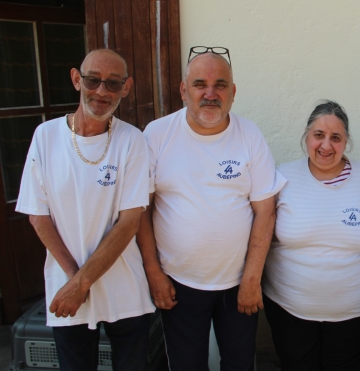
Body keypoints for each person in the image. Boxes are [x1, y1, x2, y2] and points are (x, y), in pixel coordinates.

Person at [137, 46, 286, 370]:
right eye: (199, 84)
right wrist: (153, 273)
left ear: (232, 93)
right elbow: (141, 211)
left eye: (220, 85)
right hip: (178, 283)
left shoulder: (249, 134)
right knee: (186, 365)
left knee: (240, 364)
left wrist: (252, 277)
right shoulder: (158, 135)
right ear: (183, 90)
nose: (210, 93)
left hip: (238, 284)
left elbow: (265, 210)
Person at [16, 49, 154, 371]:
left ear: (127, 87)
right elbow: (38, 214)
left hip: (124, 288)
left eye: (113, 84)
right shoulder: (46, 137)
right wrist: (75, 281)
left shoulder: (131, 140)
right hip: (66, 283)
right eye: (93, 80)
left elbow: (129, 222)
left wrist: (81, 284)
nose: (102, 91)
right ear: (77, 80)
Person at [262, 101, 360, 370]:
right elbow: (260, 232)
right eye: (319, 135)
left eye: (335, 138)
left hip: (353, 315)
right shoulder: (283, 177)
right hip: (289, 312)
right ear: (306, 135)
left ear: (346, 141)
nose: (326, 146)